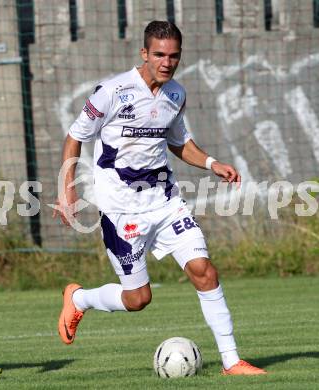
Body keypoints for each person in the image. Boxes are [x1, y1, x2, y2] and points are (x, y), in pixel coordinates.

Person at [54, 21, 266, 375]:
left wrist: (212, 163)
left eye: (174, 56)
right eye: (159, 55)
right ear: (144, 54)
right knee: (138, 299)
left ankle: (232, 361)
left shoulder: (175, 94)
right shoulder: (111, 91)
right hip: (122, 212)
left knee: (204, 271)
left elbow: (180, 143)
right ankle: (79, 299)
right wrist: (67, 188)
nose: (167, 63)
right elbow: (75, 136)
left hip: (166, 203)